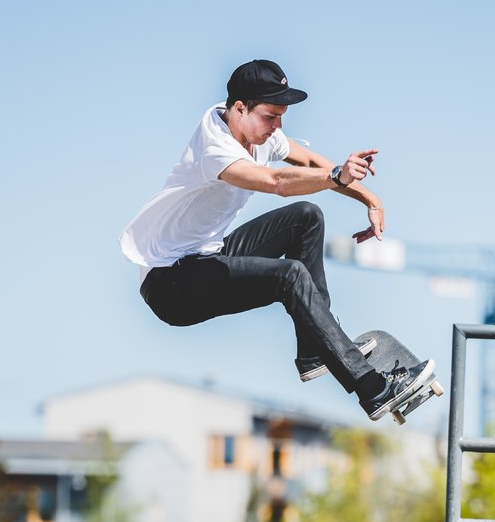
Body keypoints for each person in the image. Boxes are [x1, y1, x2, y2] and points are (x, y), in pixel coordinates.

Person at [119, 59, 434, 421]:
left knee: (306, 216)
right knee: (290, 275)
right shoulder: (215, 148)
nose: (277, 127)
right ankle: (374, 389)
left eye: (281, 118)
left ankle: (315, 349)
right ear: (240, 108)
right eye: (271, 117)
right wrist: (337, 175)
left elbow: (310, 162)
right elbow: (276, 183)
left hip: (206, 256)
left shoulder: (252, 128)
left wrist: (369, 198)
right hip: (171, 286)